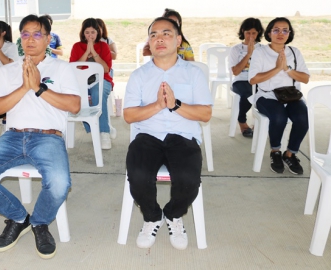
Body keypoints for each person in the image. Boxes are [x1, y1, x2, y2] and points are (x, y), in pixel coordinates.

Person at [0, 14, 81, 259]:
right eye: (25, 34)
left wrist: (38, 87)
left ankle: (40, 222)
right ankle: (18, 217)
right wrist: (25, 87)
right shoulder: (7, 71)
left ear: (48, 38)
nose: (30, 39)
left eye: (37, 34)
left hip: (48, 138)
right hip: (13, 137)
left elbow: (74, 105)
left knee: (59, 184)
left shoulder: (62, 68)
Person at [124, 17, 212, 250]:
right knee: (139, 176)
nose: (159, 38)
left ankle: (173, 214)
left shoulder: (194, 74)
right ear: (149, 42)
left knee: (188, 180)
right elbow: (129, 116)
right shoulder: (139, 75)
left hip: (182, 137)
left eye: (166, 33)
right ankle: (152, 217)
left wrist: (175, 105)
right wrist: (158, 106)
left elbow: (205, 114)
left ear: (178, 40)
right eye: (153, 35)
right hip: (148, 136)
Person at [249, 17, 309, 175]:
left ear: (290, 33)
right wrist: (277, 69)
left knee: (303, 117)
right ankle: (275, 151)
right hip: (267, 96)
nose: (280, 33)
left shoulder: (295, 52)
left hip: (291, 96)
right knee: (279, 117)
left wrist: (287, 69)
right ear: (269, 33)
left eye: (285, 30)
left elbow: (305, 78)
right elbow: (253, 79)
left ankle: (290, 153)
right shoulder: (260, 52)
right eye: (276, 30)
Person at [69, 18, 113, 150]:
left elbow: (106, 69)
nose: (90, 36)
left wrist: (94, 53)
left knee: (96, 93)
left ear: (98, 32)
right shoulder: (77, 46)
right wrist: (86, 53)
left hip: (101, 80)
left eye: (93, 32)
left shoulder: (104, 46)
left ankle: (104, 132)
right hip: (81, 82)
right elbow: (73, 68)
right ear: (82, 33)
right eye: (87, 32)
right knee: (77, 98)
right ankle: (96, 126)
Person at [229, 17, 264, 138]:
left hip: (258, 79)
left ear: (258, 33)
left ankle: (260, 122)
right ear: (243, 31)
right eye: (248, 33)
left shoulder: (262, 49)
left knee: (266, 94)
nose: (250, 36)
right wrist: (249, 53)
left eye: (254, 33)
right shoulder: (236, 49)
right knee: (248, 93)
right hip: (241, 80)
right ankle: (242, 121)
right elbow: (236, 71)